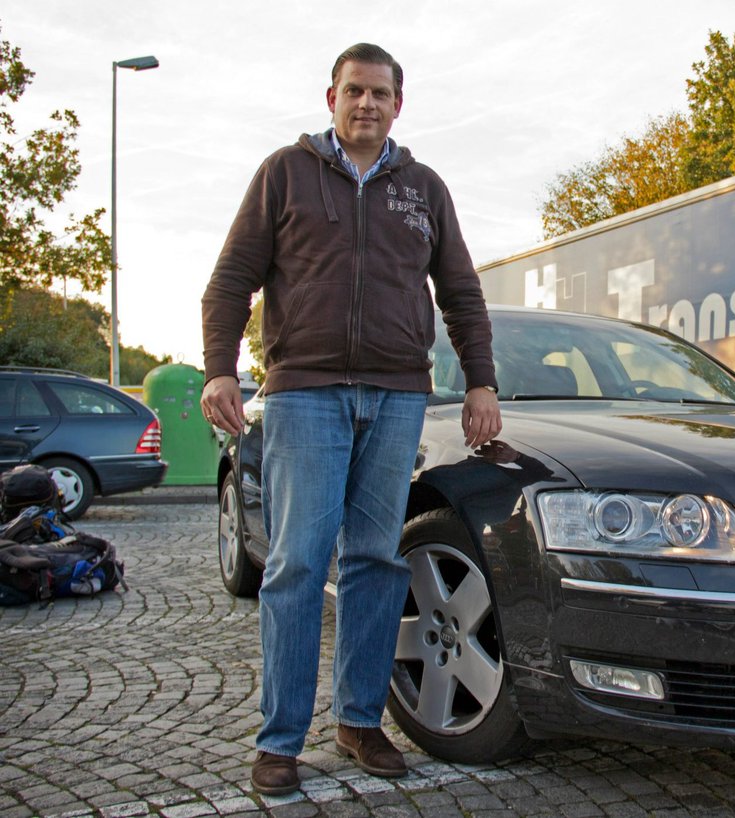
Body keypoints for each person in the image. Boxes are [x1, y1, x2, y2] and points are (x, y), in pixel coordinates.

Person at [199, 42, 501, 796]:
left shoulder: (422, 187)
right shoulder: (286, 173)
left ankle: (361, 721)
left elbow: (461, 293)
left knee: (376, 561)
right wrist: (217, 369)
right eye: (354, 92)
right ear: (330, 97)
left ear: (400, 104)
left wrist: (481, 384)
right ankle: (279, 741)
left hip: (399, 396)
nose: (367, 104)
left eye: (380, 94)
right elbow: (232, 280)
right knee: (298, 564)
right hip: (305, 394)